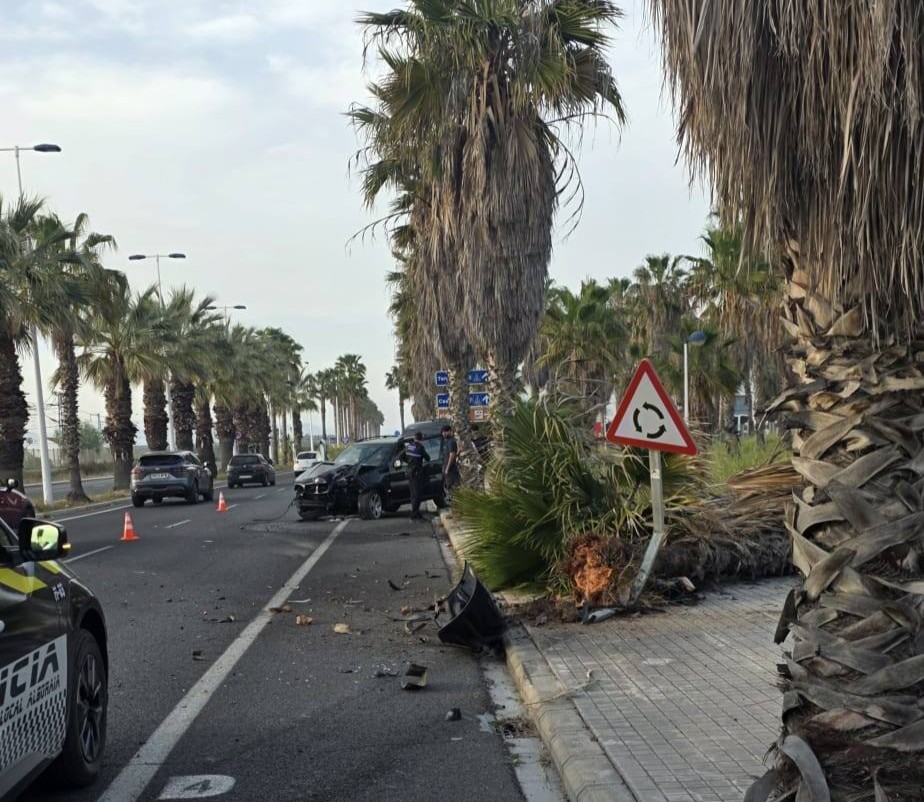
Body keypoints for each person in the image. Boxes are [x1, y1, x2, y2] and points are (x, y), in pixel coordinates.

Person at [403, 431, 430, 520]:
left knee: (413, 494)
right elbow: (428, 458)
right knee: (417, 494)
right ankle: (415, 513)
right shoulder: (420, 447)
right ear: (421, 438)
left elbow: (404, 457)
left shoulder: (408, 447)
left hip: (409, 472)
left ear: (414, 438)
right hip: (417, 473)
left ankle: (415, 512)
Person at [440, 424, 461, 502]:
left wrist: (447, 469)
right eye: (443, 432)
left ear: (450, 431)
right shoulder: (448, 442)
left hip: (450, 471)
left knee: (452, 489)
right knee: (449, 489)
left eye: (446, 432)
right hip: (447, 469)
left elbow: (452, 456)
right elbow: (453, 454)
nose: (444, 434)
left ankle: (456, 507)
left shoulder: (451, 441)